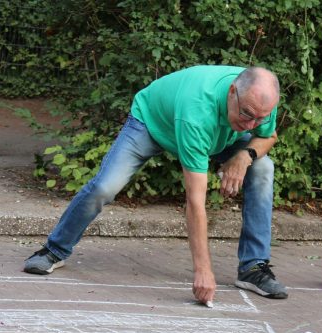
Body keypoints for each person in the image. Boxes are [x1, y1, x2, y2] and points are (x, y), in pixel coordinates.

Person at [23, 65, 288, 303]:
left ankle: (253, 267)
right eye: (247, 114)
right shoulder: (197, 110)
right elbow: (195, 201)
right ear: (232, 92)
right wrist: (203, 270)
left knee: (263, 167)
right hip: (152, 124)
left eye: (259, 118)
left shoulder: (260, 102)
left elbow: (269, 136)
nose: (251, 124)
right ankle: (54, 250)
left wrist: (245, 155)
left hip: (217, 136)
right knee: (106, 186)